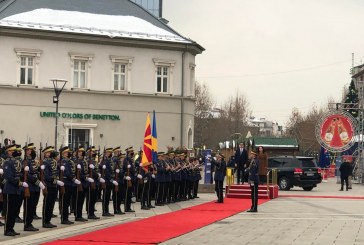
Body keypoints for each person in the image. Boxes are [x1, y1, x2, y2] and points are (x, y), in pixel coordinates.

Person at [3, 144, 23, 236]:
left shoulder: (16, 161)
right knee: (9, 211)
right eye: (12, 151)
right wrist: (19, 183)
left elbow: (20, 173)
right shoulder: (7, 162)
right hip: (10, 189)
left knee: (14, 210)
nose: (14, 152)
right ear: (9, 152)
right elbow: (9, 177)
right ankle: (7, 230)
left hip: (16, 189)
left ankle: (11, 228)